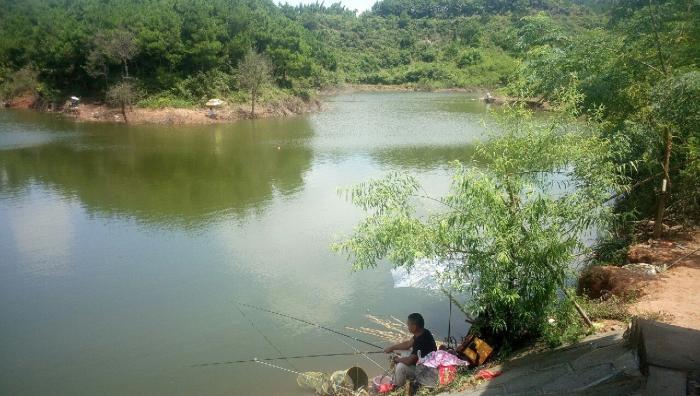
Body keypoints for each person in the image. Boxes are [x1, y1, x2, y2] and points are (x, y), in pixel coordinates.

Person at [383, 313, 438, 387]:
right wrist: (391, 348)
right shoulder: (424, 332)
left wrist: (396, 359)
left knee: (400, 367)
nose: (407, 327)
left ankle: (397, 386)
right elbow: (408, 344)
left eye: (408, 325)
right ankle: (397, 377)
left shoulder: (421, 341)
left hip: (426, 371)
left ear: (414, 327)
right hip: (423, 362)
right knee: (399, 352)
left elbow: (409, 361)